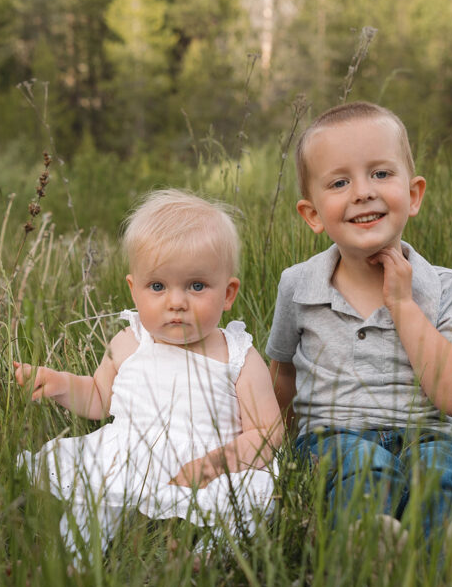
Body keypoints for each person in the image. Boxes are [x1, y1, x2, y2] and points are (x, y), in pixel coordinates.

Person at [266, 102, 452, 567]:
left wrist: (403, 305)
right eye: (339, 182)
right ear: (313, 214)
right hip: (335, 436)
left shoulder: (445, 285)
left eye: (380, 174)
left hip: (430, 435)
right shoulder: (298, 286)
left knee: (440, 473)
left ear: (413, 194)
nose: (362, 193)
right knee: (360, 468)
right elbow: (282, 378)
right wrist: (278, 451)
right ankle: (368, 556)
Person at [16, 189, 283, 565]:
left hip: (210, 461)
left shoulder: (237, 354)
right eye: (157, 287)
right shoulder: (129, 342)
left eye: (196, 286)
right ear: (133, 289)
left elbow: (267, 433)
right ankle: (75, 562)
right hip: (130, 456)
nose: (176, 302)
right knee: (95, 496)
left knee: (257, 503)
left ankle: (203, 558)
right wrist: (60, 384)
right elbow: (97, 398)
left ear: (228, 293)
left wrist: (213, 466)